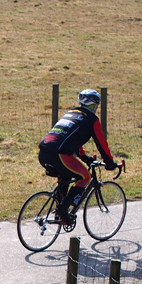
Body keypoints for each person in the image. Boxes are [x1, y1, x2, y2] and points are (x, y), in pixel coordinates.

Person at [38, 89, 119, 222]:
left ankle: (59, 214)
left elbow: (72, 138)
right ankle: (63, 210)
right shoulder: (92, 120)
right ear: (94, 105)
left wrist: (83, 157)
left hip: (43, 152)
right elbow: (102, 144)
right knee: (84, 177)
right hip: (60, 155)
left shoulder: (71, 113)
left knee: (66, 176)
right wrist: (109, 162)